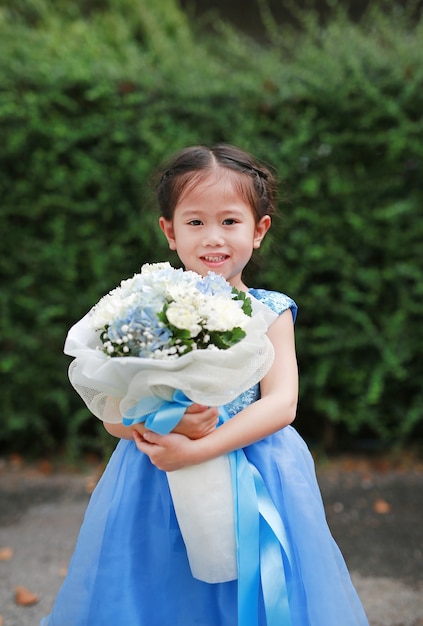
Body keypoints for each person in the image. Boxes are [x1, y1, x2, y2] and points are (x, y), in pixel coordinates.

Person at [41, 144, 369, 626]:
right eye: (195, 223)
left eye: (230, 222)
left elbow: (282, 403)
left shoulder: (270, 311)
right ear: (169, 232)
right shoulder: (144, 312)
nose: (213, 238)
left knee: (253, 584)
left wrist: (201, 448)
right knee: (163, 587)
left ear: (259, 231)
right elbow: (114, 411)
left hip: (256, 467)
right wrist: (159, 426)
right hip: (158, 474)